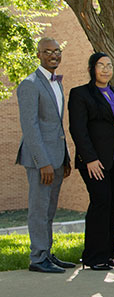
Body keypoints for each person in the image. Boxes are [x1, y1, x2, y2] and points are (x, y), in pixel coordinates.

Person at [68, 53, 114, 270]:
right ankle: (93, 256)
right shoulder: (80, 94)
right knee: (101, 202)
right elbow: (78, 129)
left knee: (113, 205)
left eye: (109, 66)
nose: (106, 70)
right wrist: (90, 158)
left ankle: (108, 253)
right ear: (91, 69)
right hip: (94, 162)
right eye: (101, 66)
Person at [16, 38, 75, 273]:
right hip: (41, 160)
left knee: (50, 209)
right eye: (47, 51)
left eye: (57, 51)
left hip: (57, 157)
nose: (53, 55)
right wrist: (44, 163)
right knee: (39, 209)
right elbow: (30, 127)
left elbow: (57, 126)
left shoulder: (57, 83)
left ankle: (47, 253)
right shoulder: (30, 84)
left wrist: (66, 158)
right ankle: (37, 257)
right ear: (38, 55)